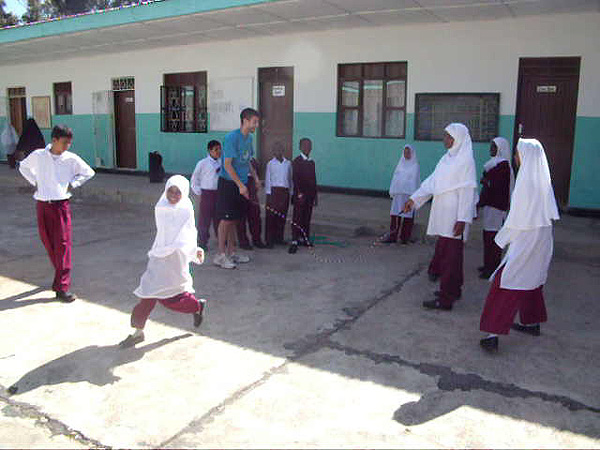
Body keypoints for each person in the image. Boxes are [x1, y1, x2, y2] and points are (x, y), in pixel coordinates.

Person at [479, 139, 559, 352]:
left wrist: (501, 240)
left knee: (505, 283)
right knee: (532, 280)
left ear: (526, 156)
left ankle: (492, 334)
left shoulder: (526, 183)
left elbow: (517, 220)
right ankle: (532, 322)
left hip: (526, 241)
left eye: (518, 153)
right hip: (541, 240)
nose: (515, 157)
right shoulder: (543, 181)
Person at [119, 175, 207, 348]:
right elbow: (164, 234)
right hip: (159, 257)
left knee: (171, 299)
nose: (173, 195)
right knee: (147, 294)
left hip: (176, 260)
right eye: (170, 191)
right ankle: (138, 332)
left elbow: (189, 233)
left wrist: (194, 250)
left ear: (184, 193)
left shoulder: (185, 209)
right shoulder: (161, 206)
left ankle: (196, 306)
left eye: (178, 192)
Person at [403, 123, 477, 311]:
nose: (444, 140)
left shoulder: (465, 161)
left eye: (448, 136)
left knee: (450, 258)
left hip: (454, 218)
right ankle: (454, 290)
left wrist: (463, 219)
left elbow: (467, 191)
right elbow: (431, 182)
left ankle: (445, 299)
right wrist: (413, 200)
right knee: (450, 255)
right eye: (444, 136)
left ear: (458, 139)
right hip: (443, 214)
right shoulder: (446, 159)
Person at [18, 124, 95, 302]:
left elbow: (88, 172)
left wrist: (72, 184)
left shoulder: (70, 158)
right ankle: (60, 275)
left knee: (63, 245)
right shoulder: (39, 156)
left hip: (60, 206)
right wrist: (35, 181)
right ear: (54, 140)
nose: (67, 146)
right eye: (64, 142)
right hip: (43, 204)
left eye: (69, 143)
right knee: (48, 242)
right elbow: (23, 167)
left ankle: (62, 287)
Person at [214, 108, 261, 269]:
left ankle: (232, 252)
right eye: (254, 121)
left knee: (233, 219)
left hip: (241, 184)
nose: (256, 125)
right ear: (245, 121)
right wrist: (240, 185)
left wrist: (254, 179)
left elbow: (248, 161)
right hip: (228, 183)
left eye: (257, 122)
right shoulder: (231, 138)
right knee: (226, 220)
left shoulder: (249, 138)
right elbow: (227, 165)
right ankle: (220, 255)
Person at [477, 137, 513, 278]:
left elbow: (498, 188)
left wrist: (486, 181)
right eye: (491, 147)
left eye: (494, 147)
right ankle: (487, 265)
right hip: (489, 206)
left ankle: (492, 268)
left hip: (496, 208)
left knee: (494, 238)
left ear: (500, 149)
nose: (491, 150)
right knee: (487, 237)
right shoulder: (493, 164)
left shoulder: (503, 166)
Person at [381, 144, 420, 245]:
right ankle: (393, 236)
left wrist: (409, 191)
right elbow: (396, 178)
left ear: (412, 153)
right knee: (395, 215)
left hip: (409, 195)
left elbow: (413, 181)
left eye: (408, 152)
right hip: (398, 194)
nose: (406, 154)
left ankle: (405, 238)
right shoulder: (400, 164)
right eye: (405, 152)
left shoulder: (415, 166)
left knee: (407, 216)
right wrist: (395, 189)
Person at [191, 140, 222, 251]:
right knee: (204, 219)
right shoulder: (202, 163)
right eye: (215, 149)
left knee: (219, 218)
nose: (218, 152)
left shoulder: (222, 162)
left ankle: (222, 240)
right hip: (207, 193)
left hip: (219, 193)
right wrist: (200, 192)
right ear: (209, 151)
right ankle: (203, 241)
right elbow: (194, 179)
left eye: (219, 149)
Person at [289, 138, 318, 254]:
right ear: (300, 147)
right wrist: (299, 193)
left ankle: (304, 238)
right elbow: (295, 178)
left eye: (309, 145)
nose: (308, 148)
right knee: (298, 217)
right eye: (305, 145)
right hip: (300, 195)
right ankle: (294, 240)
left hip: (310, 195)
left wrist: (315, 195)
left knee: (307, 217)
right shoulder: (297, 161)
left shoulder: (311, 162)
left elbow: (314, 179)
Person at [264, 142, 293, 248]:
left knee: (282, 216)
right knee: (271, 217)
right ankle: (269, 240)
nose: (277, 152)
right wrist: (269, 194)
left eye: (279, 149)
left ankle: (279, 238)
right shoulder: (270, 164)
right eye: (275, 150)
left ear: (283, 151)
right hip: (273, 192)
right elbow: (268, 179)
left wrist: (291, 193)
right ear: (273, 152)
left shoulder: (288, 163)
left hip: (284, 192)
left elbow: (290, 179)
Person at [237, 157, 266, 250]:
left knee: (255, 216)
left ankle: (257, 240)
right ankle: (243, 241)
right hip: (241, 190)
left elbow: (258, 177)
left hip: (252, 192)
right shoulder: (235, 160)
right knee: (241, 218)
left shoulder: (254, 161)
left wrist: (256, 185)